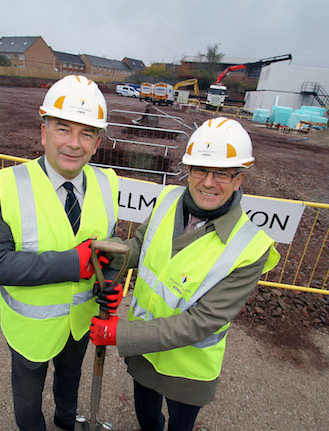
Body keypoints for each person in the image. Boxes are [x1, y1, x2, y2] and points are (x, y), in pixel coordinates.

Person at [89, 117, 280, 431]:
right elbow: (140, 245)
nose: (208, 182)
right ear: (188, 170)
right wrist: (104, 253)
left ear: (239, 179)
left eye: (221, 173)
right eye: (200, 170)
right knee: (148, 420)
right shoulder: (167, 201)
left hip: (188, 368)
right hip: (145, 354)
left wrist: (118, 334)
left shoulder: (250, 247)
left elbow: (202, 322)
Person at [0, 75, 119, 431]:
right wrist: (74, 263)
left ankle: (66, 421)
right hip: (30, 330)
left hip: (80, 322)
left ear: (97, 142)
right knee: (27, 401)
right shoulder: (4, 186)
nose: (74, 144)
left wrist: (112, 283)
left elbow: (110, 250)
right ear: (44, 132)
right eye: (63, 129)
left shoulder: (107, 183)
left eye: (86, 133)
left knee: (69, 384)